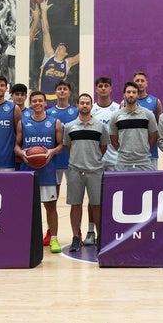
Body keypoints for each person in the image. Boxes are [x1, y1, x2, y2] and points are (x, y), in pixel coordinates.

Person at [15, 91, 63, 253]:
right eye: (34, 101)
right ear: (31, 104)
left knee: (50, 207)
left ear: (45, 104)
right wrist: (22, 153)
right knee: (27, 207)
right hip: (27, 172)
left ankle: (54, 239)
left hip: (48, 171)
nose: (37, 103)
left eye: (40, 101)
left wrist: (50, 152)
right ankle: (27, 238)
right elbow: (16, 146)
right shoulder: (23, 123)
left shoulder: (54, 122)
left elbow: (61, 145)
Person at [63, 93, 109, 252]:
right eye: (82, 103)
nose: (84, 105)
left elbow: (103, 147)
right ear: (77, 105)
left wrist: (92, 160)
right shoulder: (69, 126)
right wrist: (78, 160)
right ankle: (76, 237)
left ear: (91, 106)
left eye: (87, 103)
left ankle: (100, 237)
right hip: (75, 171)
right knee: (75, 205)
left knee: (96, 205)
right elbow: (68, 147)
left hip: (95, 171)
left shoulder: (100, 126)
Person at [88, 76, 120, 245]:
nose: (103, 89)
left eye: (106, 86)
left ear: (111, 88)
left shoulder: (118, 109)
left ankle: (114, 228)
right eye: (100, 86)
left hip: (115, 159)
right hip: (95, 160)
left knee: (115, 196)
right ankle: (91, 230)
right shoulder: (91, 110)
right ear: (96, 89)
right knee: (93, 198)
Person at [46, 80, 79, 245]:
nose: (62, 91)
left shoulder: (76, 111)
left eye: (65, 89)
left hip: (72, 161)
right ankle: (50, 232)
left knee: (75, 198)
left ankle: (77, 231)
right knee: (52, 199)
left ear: (69, 92)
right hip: (55, 161)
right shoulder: (49, 112)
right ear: (55, 92)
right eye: (59, 89)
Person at [37, 0, 80, 106]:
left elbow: (86, 53)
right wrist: (44, 11)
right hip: (42, 99)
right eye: (58, 46)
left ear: (66, 53)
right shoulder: (49, 55)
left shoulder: (67, 63)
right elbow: (45, 31)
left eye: (62, 47)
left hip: (57, 101)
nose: (59, 47)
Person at [109, 82, 158, 171]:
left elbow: (153, 137)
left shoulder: (148, 114)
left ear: (138, 95)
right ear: (124, 94)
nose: (131, 95)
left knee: (147, 185)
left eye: (134, 92)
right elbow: (113, 140)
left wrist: (145, 150)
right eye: (128, 92)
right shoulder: (115, 116)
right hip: (123, 163)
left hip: (144, 162)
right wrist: (123, 152)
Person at [133, 71, 163, 170]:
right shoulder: (125, 103)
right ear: (133, 83)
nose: (140, 83)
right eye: (137, 81)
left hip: (151, 153)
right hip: (131, 155)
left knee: (151, 184)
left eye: (142, 80)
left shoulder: (156, 102)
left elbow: (160, 128)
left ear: (147, 83)